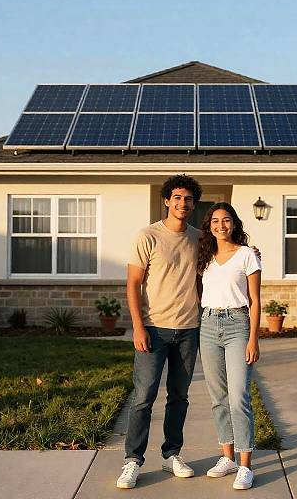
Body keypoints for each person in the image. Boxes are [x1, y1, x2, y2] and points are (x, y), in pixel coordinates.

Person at [116, 174, 202, 489]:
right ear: (167, 200)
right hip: (153, 329)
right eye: (177, 197)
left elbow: (221, 264)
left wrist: (252, 253)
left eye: (188, 198)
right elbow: (133, 284)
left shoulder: (198, 238)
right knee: (143, 396)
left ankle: (171, 455)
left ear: (194, 204)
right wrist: (138, 326)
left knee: (179, 396)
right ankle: (133, 461)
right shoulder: (148, 236)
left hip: (189, 330)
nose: (182, 203)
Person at [197, 202, 261, 490]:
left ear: (234, 223)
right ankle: (228, 457)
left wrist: (253, 338)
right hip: (208, 325)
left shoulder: (247, 255)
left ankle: (246, 465)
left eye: (226, 220)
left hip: (238, 325)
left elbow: (256, 301)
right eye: (214, 221)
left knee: (238, 398)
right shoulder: (205, 257)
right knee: (218, 397)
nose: (220, 225)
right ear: (209, 226)